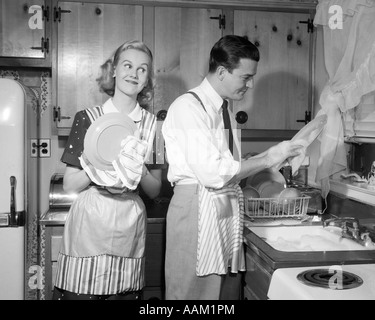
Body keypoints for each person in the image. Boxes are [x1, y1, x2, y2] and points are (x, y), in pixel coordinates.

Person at [161, 35, 303, 300]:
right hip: (196, 208)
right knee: (194, 295)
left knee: (223, 293)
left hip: (223, 207)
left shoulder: (223, 110)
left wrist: (273, 156)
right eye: (245, 77)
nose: (250, 85)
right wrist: (267, 158)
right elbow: (213, 174)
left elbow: (229, 167)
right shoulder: (188, 108)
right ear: (223, 72)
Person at [52, 40, 162, 300]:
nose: (133, 74)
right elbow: (70, 185)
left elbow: (155, 189)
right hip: (91, 216)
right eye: (127, 65)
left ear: (147, 80)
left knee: (121, 295)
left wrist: (139, 167)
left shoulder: (153, 126)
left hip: (129, 217)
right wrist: (95, 165)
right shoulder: (87, 118)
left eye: (142, 69)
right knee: (81, 292)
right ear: (114, 70)